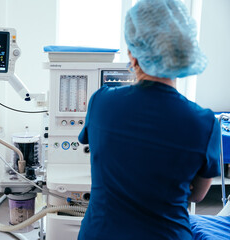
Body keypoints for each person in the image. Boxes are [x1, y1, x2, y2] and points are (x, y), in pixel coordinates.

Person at [77, 0, 221, 239]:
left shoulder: (101, 102)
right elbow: (197, 196)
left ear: (133, 54)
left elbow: (103, 156)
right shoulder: (204, 123)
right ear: (182, 54)